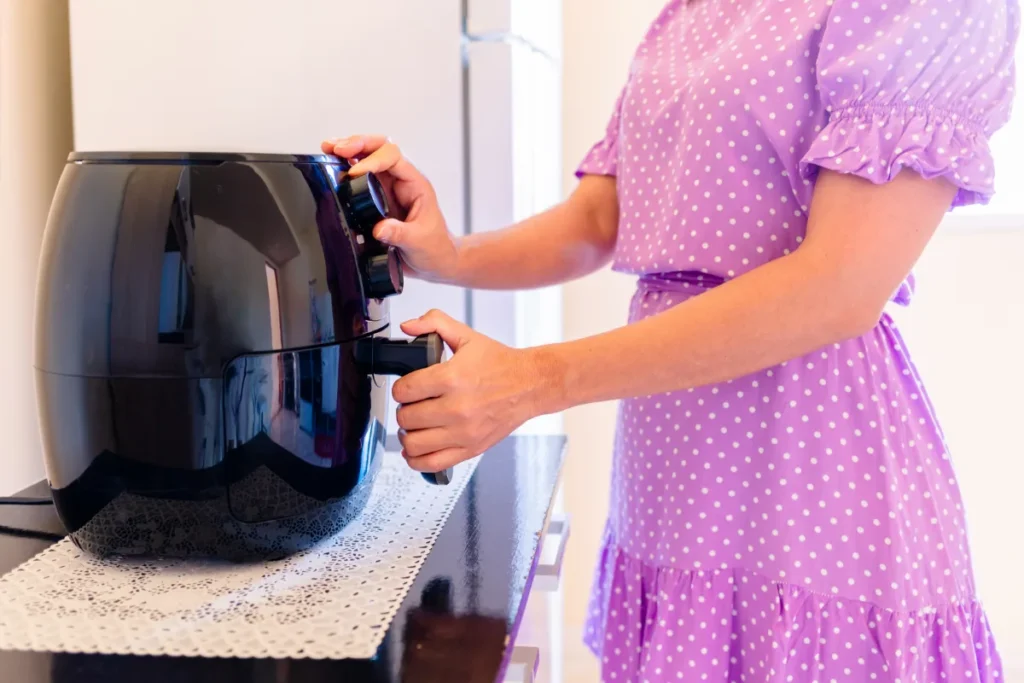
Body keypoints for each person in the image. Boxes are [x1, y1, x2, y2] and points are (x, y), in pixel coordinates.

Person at [325, 0, 1019, 679]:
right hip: (675, 470)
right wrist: (447, 254)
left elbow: (838, 286)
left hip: (803, 465)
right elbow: (603, 215)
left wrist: (533, 380)